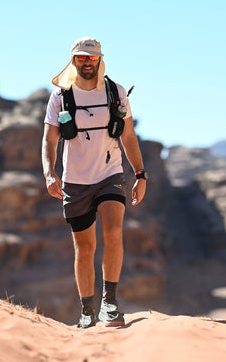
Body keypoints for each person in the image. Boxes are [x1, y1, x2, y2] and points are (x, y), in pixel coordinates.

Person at [41, 37, 147, 328]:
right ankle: (87, 310)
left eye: (91, 57)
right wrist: (50, 173)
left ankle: (109, 304)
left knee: (113, 232)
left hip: (110, 175)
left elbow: (128, 137)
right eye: (81, 57)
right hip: (75, 182)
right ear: (73, 60)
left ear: (100, 59)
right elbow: (49, 140)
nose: (86, 62)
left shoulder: (116, 93)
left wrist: (139, 174)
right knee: (85, 249)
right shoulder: (59, 97)